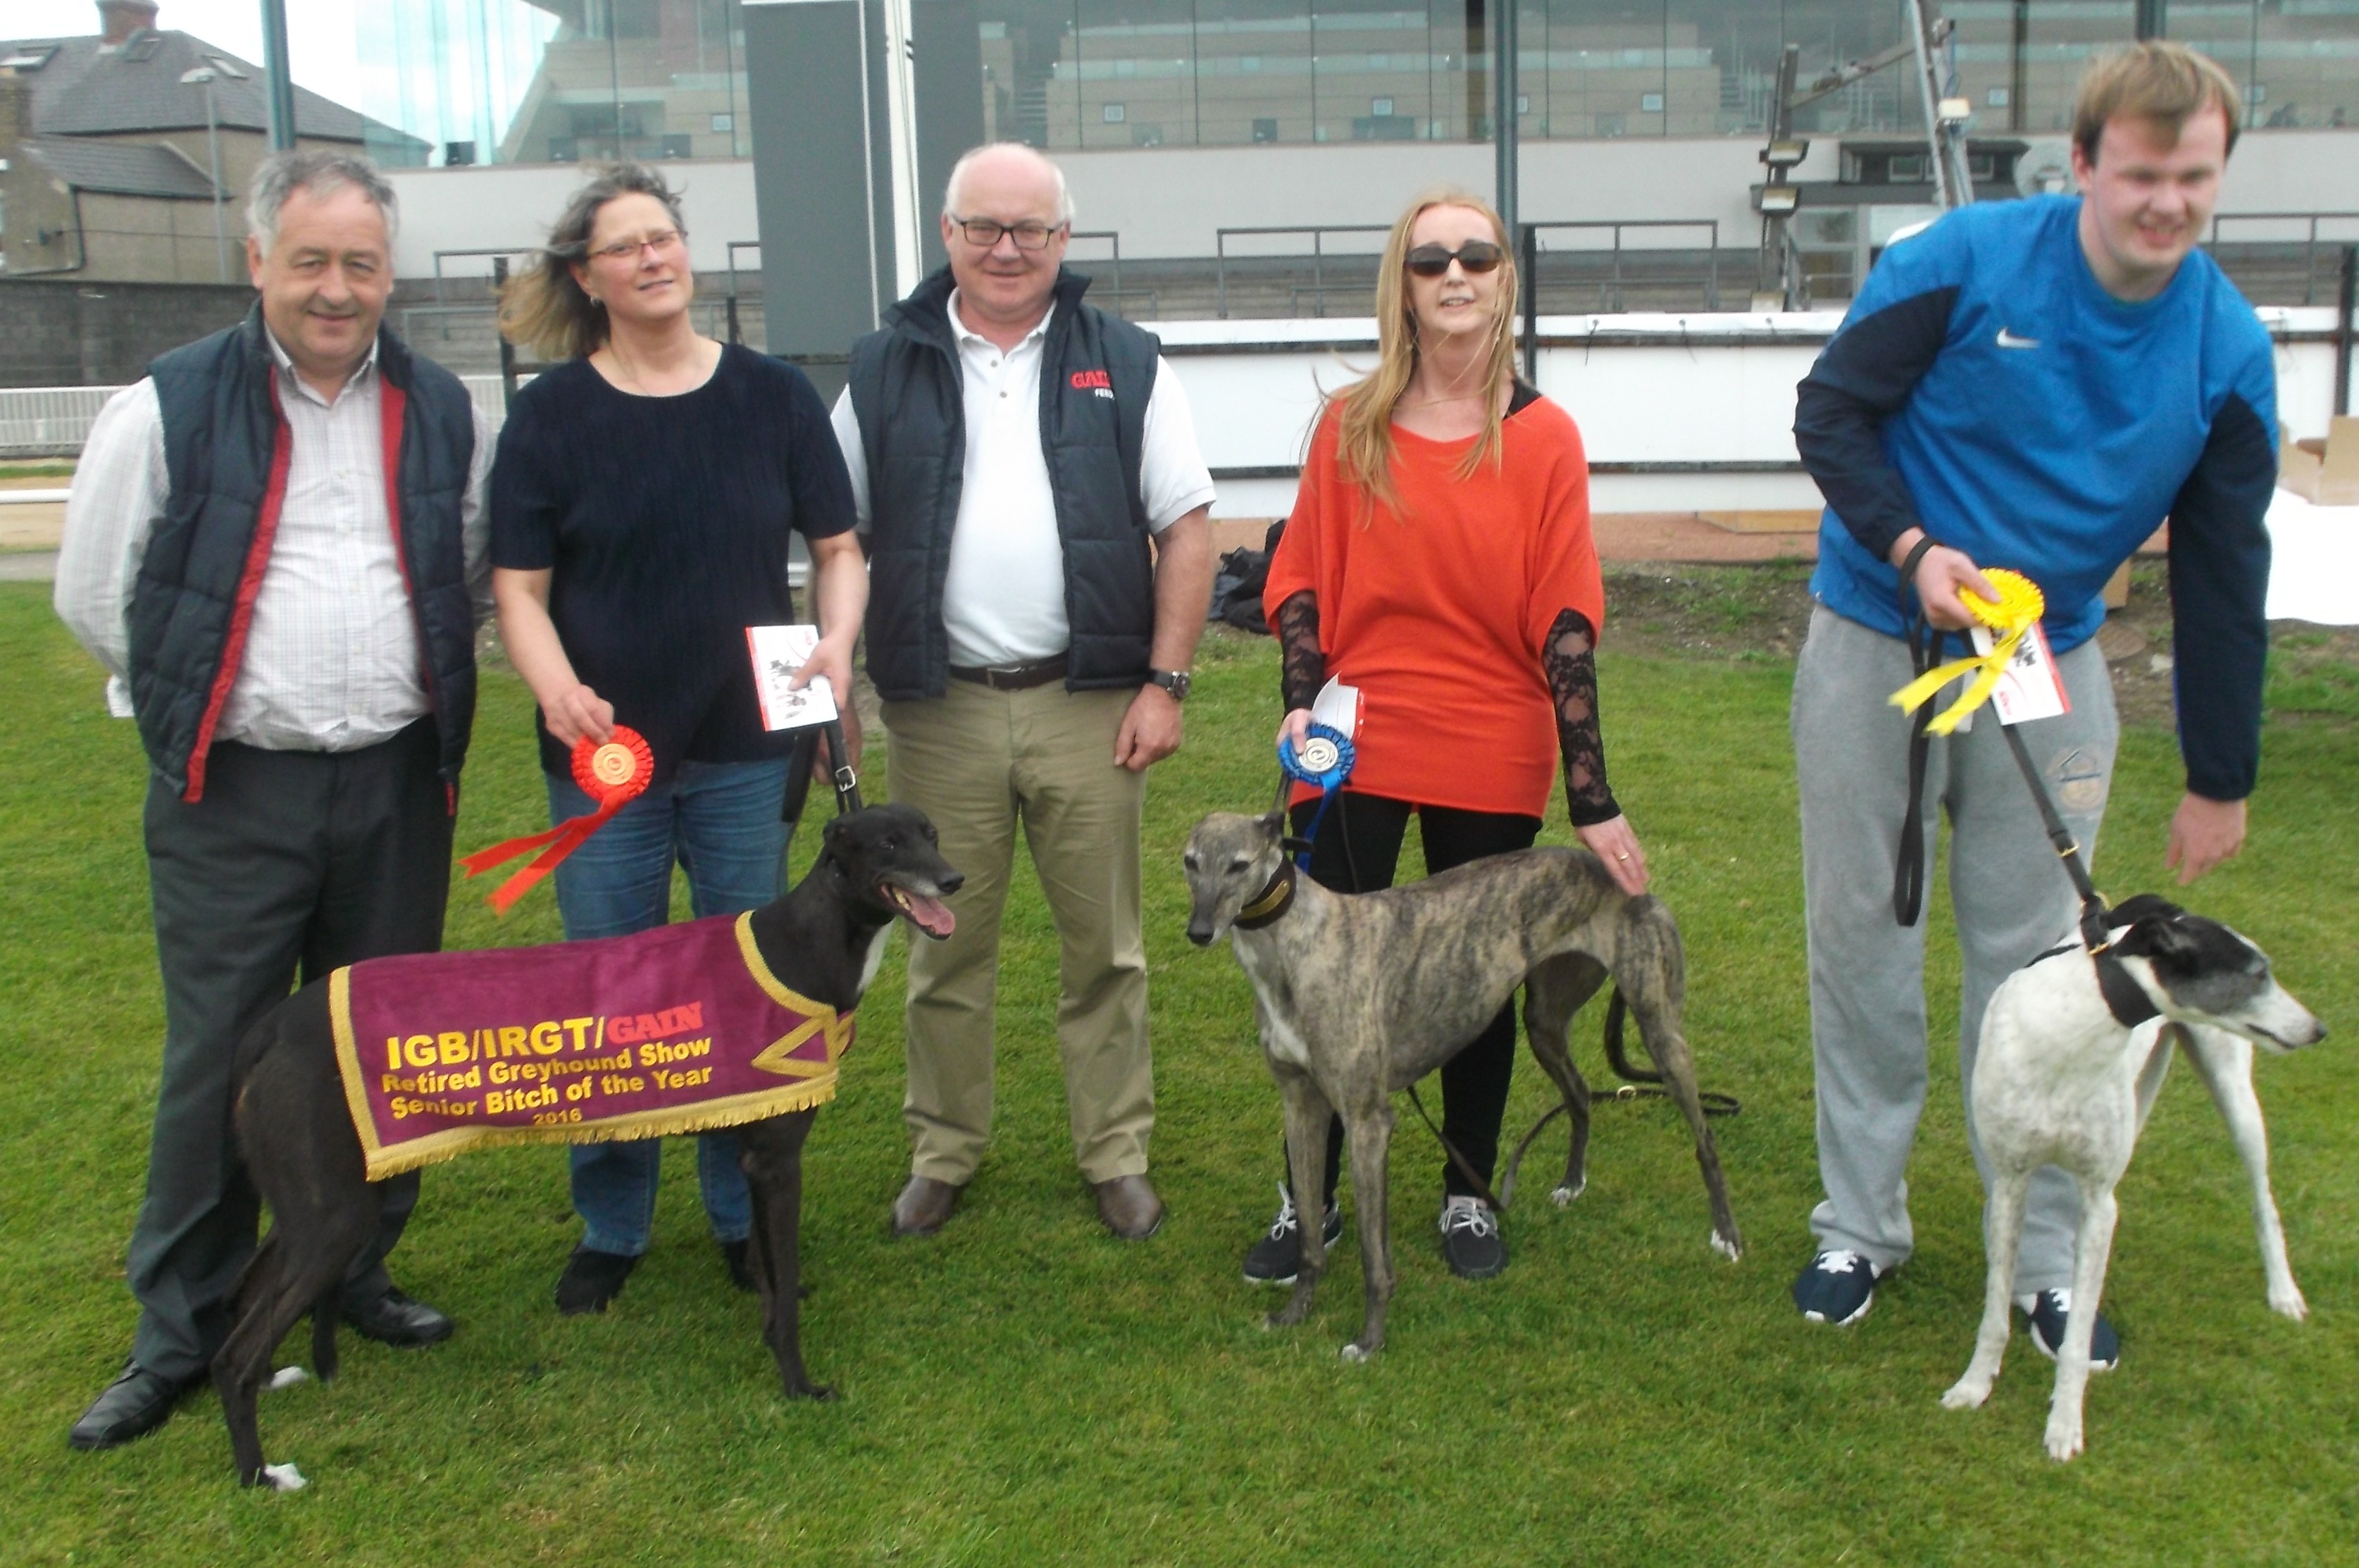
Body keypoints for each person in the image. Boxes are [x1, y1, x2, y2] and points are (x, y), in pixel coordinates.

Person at [1787, 43, 2277, 1365]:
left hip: (2046, 657)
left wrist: (2218, 773)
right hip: (1878, 627)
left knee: (2052, 967)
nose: (2165, 202)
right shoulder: (1965, 262)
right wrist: (1909, 548)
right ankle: (1859, 1224)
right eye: (2141, 173)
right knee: (1864, 936)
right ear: (2082, 165)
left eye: (2192, 177)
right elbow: (1830, 412)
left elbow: (2223, 573)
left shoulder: (2226, 351)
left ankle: (2047, 1260)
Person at [54, 150, 493, 1450]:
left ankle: (350, 1269)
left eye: (361, 263)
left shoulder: (442, 405)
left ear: (389, 272)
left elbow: (463, 568)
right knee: (224, 1061)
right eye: (310, 261)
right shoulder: (167, 405)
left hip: (397, 783)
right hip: (234, 789)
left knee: (380, 1048)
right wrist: (207, 704)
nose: (336, 288)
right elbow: (97, 592)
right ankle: (180, 1333)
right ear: (257, 262)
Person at [1243, 189, 1652, 1286]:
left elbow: (1565, 620)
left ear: (1504, 277)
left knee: (1476, 975)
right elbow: (1300, 577)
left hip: (1489, 733)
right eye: (1431, 261)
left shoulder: (1543, 437)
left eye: (1477, 255)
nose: (1455, 274)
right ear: (1404, 284)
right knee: (1321, 973)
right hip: (1357, 734)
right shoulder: (1349, 425)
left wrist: (1591, 794)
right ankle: (1308, 1197)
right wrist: (1299, 696)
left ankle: (1466, 1187)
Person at [490, 164, 865, 1313]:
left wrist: (837, 641)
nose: (653, 258)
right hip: (605, 761)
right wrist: (556, 688)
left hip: (747, 751)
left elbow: (839, 548)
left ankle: (741, 1209)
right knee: (609, 988)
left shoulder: (773, 396)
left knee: (743, 984)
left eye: (665, 237)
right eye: (626, 246)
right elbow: (518, 587)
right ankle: (612, 1220)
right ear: (586, 276)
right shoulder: (549, 416)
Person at [830, 142, 1215, 1241]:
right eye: (984, 227)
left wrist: (1165, 682)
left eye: (1030, 229)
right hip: (937, 709)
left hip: (1088, 705)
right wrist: (836, 686)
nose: (1007, 248)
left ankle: (1115, 1152)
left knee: (1106, 952)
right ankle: (943, 1150)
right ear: (947, 233)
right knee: (944, 947)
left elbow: (1186, 527)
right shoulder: (879, 368)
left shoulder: (1126, 360)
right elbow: (835, 538)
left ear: (1062, 239)